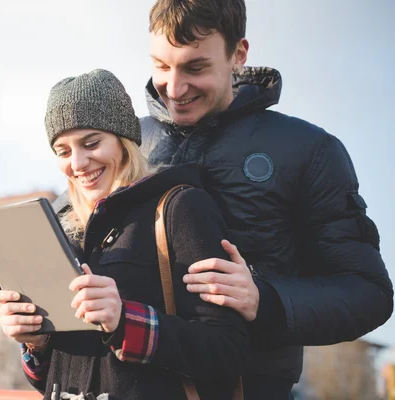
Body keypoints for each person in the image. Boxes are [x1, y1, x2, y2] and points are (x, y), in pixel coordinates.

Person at [135, 0, 393, 398]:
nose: (174, 87)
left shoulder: (310, 149)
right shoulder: (124, 144)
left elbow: (369, 293)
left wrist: (265, 300)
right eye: (161, 66)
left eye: (195, 67)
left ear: (238, 54)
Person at [0, 69, 248, 400]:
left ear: (124, 139)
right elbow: (50, 379)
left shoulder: (180, 210)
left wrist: (125, 322)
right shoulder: (64, 231)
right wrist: (35, 343)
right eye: (63, 150)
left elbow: (226, 352)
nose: (79, 163)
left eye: (91, 143)